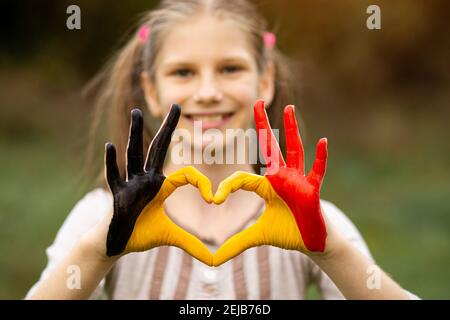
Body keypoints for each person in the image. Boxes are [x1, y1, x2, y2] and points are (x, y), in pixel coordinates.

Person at [26, 0, 418, 300]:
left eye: (231, 68)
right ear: (151, 90)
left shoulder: (307, 218)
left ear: (264, 81)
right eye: (183, 72)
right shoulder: (103, 215)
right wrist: (100, 249)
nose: (209, 92)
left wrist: (328, 248)